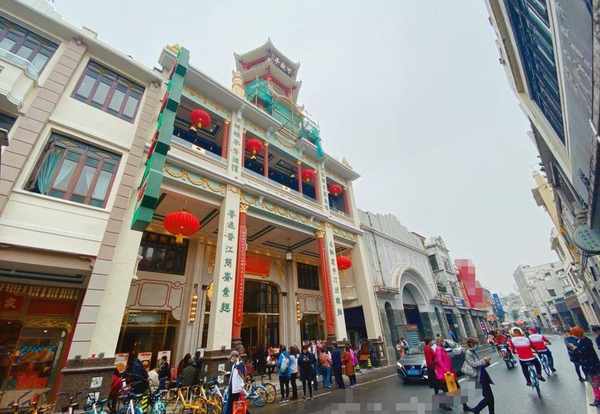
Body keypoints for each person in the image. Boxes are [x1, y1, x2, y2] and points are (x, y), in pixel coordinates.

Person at [462, 338, 495, 414]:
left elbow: (479, 364)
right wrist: (484, 360)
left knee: (489, 398)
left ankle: (478, 410)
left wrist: (486, 362)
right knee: (489, 398)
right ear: (471, 344)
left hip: (482, 375)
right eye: (476, 344)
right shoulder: (468, 353)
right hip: (480, 377)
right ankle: (476, 409)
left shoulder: (472, 352)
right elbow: (474, 364)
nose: (477, 346)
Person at [569, 326, 600, 406]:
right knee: (594, 383)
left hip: (592, 365)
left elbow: (584, 352)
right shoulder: (579, 341)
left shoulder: (587, 341)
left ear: (577, 334)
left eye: (573, 334)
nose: (573, 336)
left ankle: (598, 399)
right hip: (587, 365)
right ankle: (598, 399)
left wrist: (574, 348)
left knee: (595, 383)